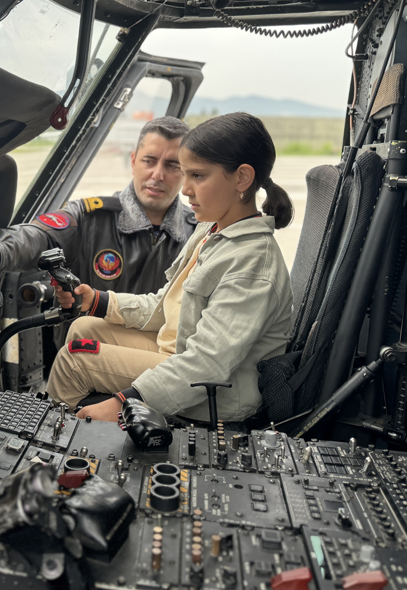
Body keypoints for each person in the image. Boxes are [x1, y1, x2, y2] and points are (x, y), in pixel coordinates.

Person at [47, 112, 294, 424]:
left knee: (75, 360)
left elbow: (206, 365)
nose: (186, 189)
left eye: (198, 176)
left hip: (218, 396)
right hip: (179, 350)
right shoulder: (211, 231)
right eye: (186, 174)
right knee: (84, 327)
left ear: (242, 178)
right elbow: (166, 307)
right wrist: (98, 301)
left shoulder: (252, 264)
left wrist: (125, 402)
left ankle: (50, 438)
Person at [0, 117, 195, 296]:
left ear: (186, 170)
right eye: (149, 161)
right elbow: (37, 236)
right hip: (87, 356)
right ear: (134, 161)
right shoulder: (90, 217)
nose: (158, 175)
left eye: (172, 165)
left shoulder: (200, 234)